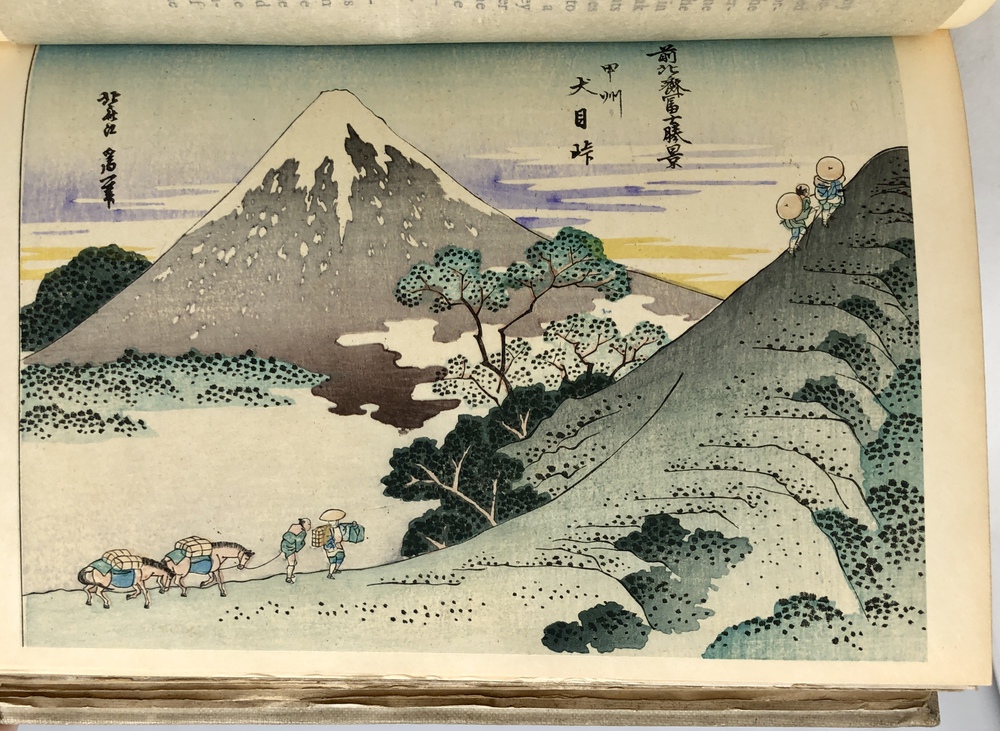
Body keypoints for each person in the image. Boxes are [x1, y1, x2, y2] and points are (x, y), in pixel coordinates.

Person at [776, 184, 813, 254]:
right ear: (805, 193)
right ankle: (791, 249)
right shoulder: (800, 201)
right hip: (795, 222)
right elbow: (804, 213)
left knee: (803, 231)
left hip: (797, 221)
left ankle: (796, 244)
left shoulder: (799, 199)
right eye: (807, 192)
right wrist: (812, 209)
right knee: (795, 235)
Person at [814, 156, 846, 226]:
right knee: (826, 208)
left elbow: (839, 189)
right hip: (825, 198)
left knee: (834, 205)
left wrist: (840, 195)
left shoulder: (837, 182)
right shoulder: (820, 184)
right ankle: (824, 220)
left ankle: (828, 215)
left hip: (832, 197)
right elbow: (822, 194)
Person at [280, 518, 310, 584]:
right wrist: (301, 545)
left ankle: (290, 573)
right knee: (292, 563)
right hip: (290, 548)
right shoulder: (303, 532)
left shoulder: (293, 525)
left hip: (284, 545)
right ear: (304, 524)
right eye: (308, 524)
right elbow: (298, 544)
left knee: (293, 562)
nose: (310, 526)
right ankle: (288, 577)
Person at [319, 508, 347, 579]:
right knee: (333, 561)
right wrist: (330, 547)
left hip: (338, 546)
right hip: (331, 547)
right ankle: (330, 574)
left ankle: (335, 569)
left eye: (336, 520)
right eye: (333, 521)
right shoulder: (327, 530)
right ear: (329, 522)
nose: (335, 522)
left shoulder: (339, 527)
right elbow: (326, 541)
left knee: (341, 556)